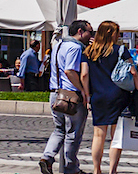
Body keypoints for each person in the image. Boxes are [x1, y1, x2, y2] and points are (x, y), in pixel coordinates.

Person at [83, 22, 138, 174]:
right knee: (116, 136)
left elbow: (84, 74)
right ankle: (112, 170)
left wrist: (87, 96)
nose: (119, 36)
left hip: (98, 97)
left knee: (98, 135)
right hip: (118, 95)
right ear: (110, 33)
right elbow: (132, 71)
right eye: (117, 32)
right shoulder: (120, 50)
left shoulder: (89, 52)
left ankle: (96, 170)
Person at [39, 19, 92, 174]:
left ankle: (46, 158)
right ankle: (71, 168)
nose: (91, 35)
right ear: (80, 32)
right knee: (73, 133)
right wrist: (82, 89)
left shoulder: (58, 45)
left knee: (59, 130)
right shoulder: (75, 48)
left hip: (55, 94)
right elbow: (70, 71)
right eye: (90, 31)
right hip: (70, 97)